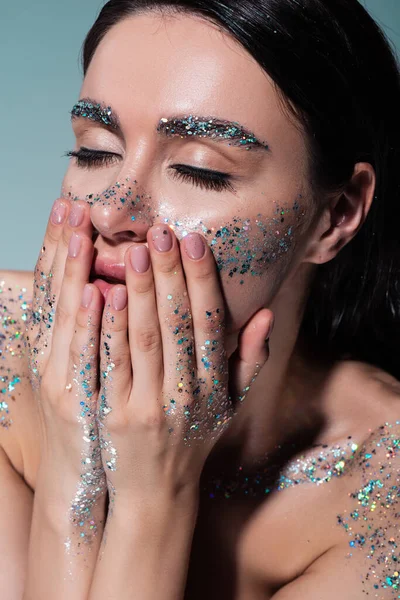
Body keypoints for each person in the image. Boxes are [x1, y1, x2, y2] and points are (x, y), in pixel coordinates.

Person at [1, 0, 399, 598]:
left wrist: (151, 500)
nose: (111, 210)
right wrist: (72, 470)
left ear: (334, 216)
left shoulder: (380, 490)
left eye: (199, 170)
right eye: (93, 151)